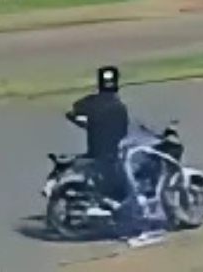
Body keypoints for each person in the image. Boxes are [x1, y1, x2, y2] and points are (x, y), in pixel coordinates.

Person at [67, 66, 160, 244]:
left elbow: (72, 112)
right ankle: (134, 227)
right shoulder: (120, 107)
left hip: (95, 153)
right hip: (113, 157)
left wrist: (86, 125)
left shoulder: (90, 103)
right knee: (132, 190)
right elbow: (126, 132)